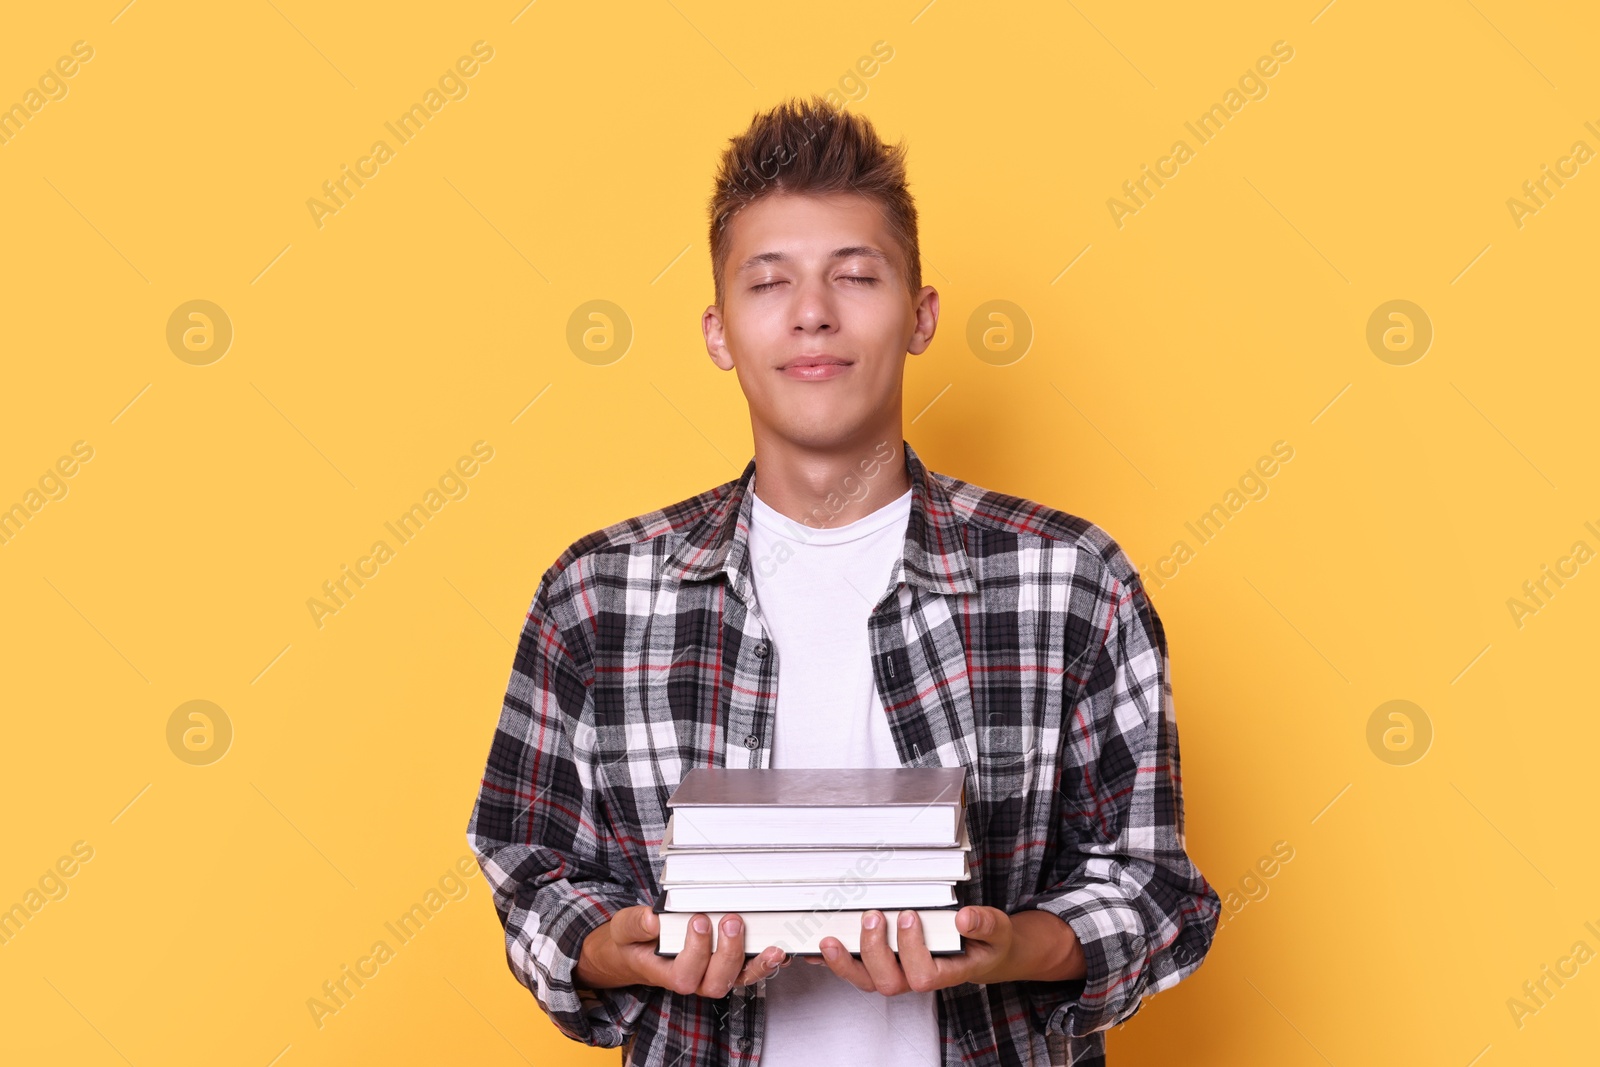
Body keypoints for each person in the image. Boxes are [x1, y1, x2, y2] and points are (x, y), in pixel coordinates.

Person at [465, 95, 1220, 1067]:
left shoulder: (1071, 580)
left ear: (920, 314)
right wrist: (606, 948)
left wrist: (1017, 945)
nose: (812, 312)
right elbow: (527, 867)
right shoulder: (598, 595)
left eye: (855, 276)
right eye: (768, 282)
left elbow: (1157, 888)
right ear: (718, 330)